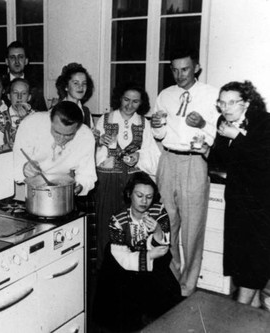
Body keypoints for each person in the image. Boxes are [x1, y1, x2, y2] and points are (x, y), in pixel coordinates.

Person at [150, 48, 219, 297]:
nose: (180, 75)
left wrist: (202, 124)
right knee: (167, 223)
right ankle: (172, 274)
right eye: (175, 70)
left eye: (185, 69)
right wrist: (156, 127)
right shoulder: (165, 95)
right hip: (168, 160)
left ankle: (187, 287)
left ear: (197, 68)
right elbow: (159, 134)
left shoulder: (211, 95)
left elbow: (219, 135)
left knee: (192, 229)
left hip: (195, 161)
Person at [93, 172, 181, 332]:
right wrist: (148, 256)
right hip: (127, 262)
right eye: (139, 195)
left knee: (169, 294)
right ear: (129, 194)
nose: (144, 201)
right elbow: (122, 257)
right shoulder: (118, 219)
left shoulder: (159, 211)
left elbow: (165, 246)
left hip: (153, 258)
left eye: (149, 197)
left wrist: (158, 231)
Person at [208, 81, 270, 307]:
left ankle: (238, 311)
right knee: (241, 261)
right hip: (236, 203)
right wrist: (206, 150)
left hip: (261, 205)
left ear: (247, 102)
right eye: (221, 103)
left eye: (231, 102)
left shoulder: (264, 123)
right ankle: (249, 319)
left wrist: (238, 137)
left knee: (254, 262)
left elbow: (264, 161)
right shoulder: (222, 122)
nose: (225, 108)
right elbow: (220, 161)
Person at [93, 82, 160, 268]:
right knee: (107, 225)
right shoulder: (105, 119)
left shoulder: (144, 123)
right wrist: (101, 143)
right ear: (119, 98)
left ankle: (131, 268)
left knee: (132, 226)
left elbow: (154, 156)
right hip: (108, 181)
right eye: (126, 100)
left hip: (133, 183)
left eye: (135, 102)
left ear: (141, 104)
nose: (130, 105)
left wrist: (138, 156)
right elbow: (94, 154)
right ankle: (106, 270)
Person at [13, 101, 97, 196]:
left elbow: (87, 175)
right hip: (28, 192)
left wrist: (78, 187)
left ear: (78, 128)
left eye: (68, 135)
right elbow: (16, 167)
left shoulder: (85, 135)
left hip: (64, 192)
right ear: (50, 120)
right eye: (57, 132)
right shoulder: (31, 124)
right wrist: (25, 169)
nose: (61, 140)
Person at [3, 41, 48, 111]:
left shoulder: (34, 86)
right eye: (12, 57)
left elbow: (42, 112)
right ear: (6, 61)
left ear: (26, 61)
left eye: (20, 57)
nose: (17, 61)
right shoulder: (0, 85)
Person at [55, 62, 95, 128]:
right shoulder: (57, 111)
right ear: (66, 86)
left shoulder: (86, 112)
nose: (81, 87)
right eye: (76, 83)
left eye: (84, 83)